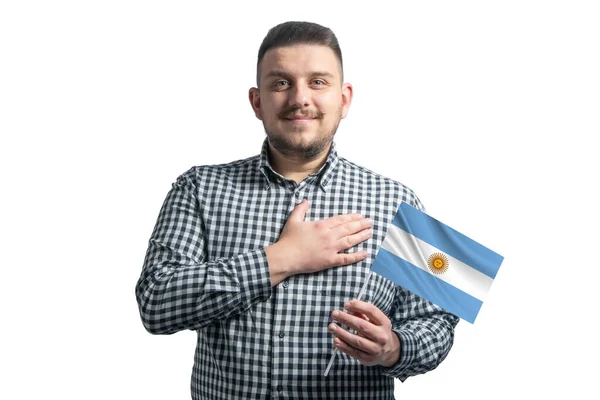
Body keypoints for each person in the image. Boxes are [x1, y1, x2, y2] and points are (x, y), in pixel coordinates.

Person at [135, 20, 459, 400]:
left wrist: (394, 348)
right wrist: (280, 260)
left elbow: (441, 318)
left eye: (318, 82)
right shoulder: (199, 188)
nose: (299, 98)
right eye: (281, 83)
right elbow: (155, 302)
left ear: (345, 98)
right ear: (257, 101)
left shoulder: (397, 200)